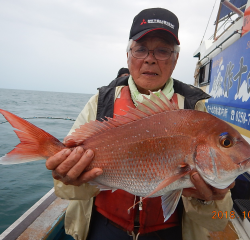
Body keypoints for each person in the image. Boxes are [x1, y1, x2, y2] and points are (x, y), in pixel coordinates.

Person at [46, 8, 234, 240]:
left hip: (168, 232)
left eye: (163, 51)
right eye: (141, 49)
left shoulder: (195, 110)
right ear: (128, 56)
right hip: (104, 227)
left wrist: (206, 199)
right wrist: (67, 177)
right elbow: (64, 188)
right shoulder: (101, 103)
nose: (150, 58)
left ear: (175, 60)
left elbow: (218, 220)